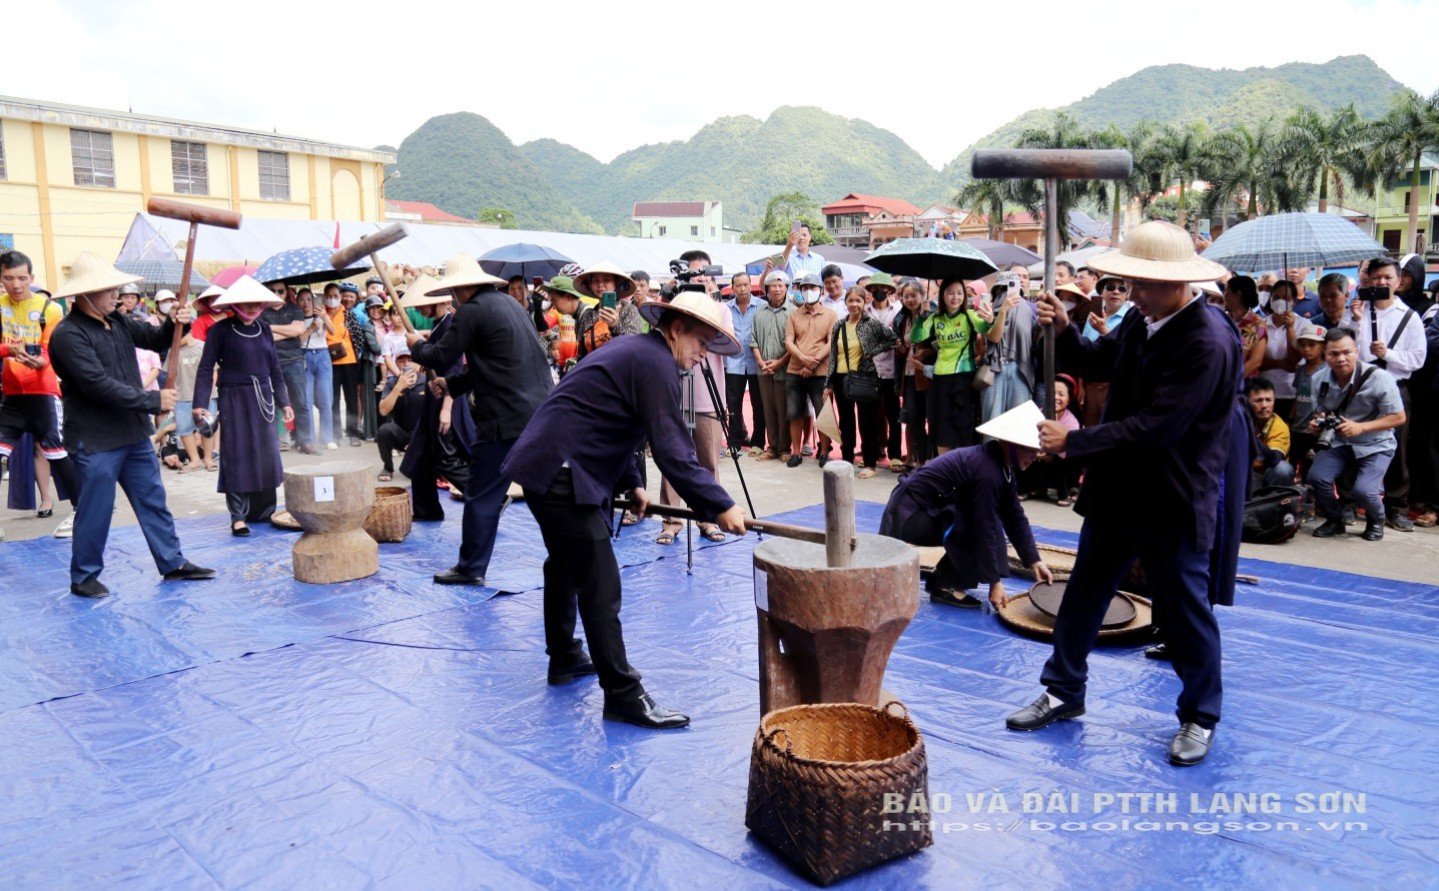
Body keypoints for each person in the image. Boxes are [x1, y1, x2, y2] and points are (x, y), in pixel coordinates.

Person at [1004, 221, 1239, 768]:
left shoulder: (1207, 341)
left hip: (1173, 493)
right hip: (1118, 488)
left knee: (1183, 610)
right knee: (1085, 589)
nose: (1132, 294)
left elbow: (1159, 427)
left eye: (1143, 284)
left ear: (1177, 282)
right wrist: (1065, 330)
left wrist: (1075, 442)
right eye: (1130, 283)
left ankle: (1200, 715)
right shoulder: (1141, 316)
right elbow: (1098, 360)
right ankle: (1064, 690)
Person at [502, 291, 747, 729]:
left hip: (552, 465)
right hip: (561, 471)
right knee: (599, 582)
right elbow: (673, 450)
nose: (702, 355)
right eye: (701, 342)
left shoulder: (640, 352)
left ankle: (565, 656)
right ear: (677, 330)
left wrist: (631, 481)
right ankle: (622, 694)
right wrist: (720, 504)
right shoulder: (654, 362)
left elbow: (616, 419)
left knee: (564, 564)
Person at [47, 252, 214, 597]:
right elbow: (96, 385)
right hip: (96, 437)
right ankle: (84, 576)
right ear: (85, 293)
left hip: (133, 432)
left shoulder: (118, 321)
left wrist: (175, 321)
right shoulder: (68, 335)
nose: (117, 294)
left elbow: (155, 339)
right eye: (108, 289)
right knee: (96, 509)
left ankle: (172, 561)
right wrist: (153, 401)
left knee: (153, 499)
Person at [408, 254, 552, 586]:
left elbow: (440, 356)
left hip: (504, 418)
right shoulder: (509, 305)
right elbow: (492, 366)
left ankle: (471, 568)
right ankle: (569, 553)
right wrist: (451, 385)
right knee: (542, 493)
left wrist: (416, 346)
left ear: (459, 289)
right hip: (538, 414)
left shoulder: (472, 311)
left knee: (482, 494)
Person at [880, 401, 1053, 608]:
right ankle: (946, 584)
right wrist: (995, 583)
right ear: (1010, 444)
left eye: (1036, 451)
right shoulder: (988, 471)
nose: (1034, 457)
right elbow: (984, 525)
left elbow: (1014, 516)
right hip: (909, 515)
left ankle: (943, 578)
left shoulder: (1002, 468)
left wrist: (1035, 561)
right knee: (980, 524)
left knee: (988, 521)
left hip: (925, 511)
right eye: (1029, 450)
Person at [192, 277, 294, 536]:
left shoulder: (264, 329)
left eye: (256, 303)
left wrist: (285, 402)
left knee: (267, 454)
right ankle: (238, 516)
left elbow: (275, 369)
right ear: (235, 304)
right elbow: (205, 369)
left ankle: (265, 511)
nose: (252, 307)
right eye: (246, 303)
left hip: (264, 400)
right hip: (234, 399)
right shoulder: (220, 330)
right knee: (237, 454)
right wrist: (200, 404)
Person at [0, 249, 80, 538]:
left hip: (43, 393)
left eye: (22, 278)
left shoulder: (51, 309)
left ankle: (82, 512)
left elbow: (51, 350)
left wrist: (41, 362)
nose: (16, 285)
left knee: (56, 454)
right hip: (11, 396)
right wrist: (10, 349)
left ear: (31, 277)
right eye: (9, 278)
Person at [1349, 257, 1428, 531]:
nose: (1381, 282)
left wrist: (1388, 354)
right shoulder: (1359, 310)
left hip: (1395, 388)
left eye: (1387, 277)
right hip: (1361, 387)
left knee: (1397, 448)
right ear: (1368, 280)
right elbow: (1346, 349)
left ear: (1398, 281)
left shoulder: (1409, 317)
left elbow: (1418, 358)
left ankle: (1396, 506)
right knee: (1352, 442)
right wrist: (1356, 322)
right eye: (1376, 277)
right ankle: (1348, 502)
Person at [1307, 328, 1407, 541]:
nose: (1341, 358)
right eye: (1334, 353)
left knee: (1364, 491)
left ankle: (1376, 520)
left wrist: (1361, 427)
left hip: (1376, 443)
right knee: (1317, 478)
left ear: (1357, 351)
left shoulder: (1380, 378)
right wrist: (1317, 424)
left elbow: (1398, 417)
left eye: (1347, 352)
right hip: (1338, 440)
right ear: (1325, 355)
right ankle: (1335, 520)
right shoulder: (1317, 379)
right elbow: (1320, 412)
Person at [396, 276, 472, 521]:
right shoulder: (439, 326)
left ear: (437, 301)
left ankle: (488, 498)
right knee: (420, 457)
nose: (418, 309)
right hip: (434, 398)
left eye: (422, 303)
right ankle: (427, 510)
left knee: (446, 457)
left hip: (447, 400)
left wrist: (446, 409)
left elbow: (454, 371)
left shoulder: (451, 327)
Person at [826, 286, 897, 478]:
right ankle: (847, 459)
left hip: (864, 377)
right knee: (846, 422)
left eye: (858, 300)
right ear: (845, 303)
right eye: (851, 300)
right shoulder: (839, 325)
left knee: (867, 422)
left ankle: (870, 463)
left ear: (864, 302)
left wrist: (872, 352)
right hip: (841, 379)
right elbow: (833, 355)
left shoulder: (871, 323)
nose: (854, 304)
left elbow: (892, 339)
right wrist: (828, 384)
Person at [916, 278, 993, 453]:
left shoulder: (969, 315)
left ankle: (964, 465)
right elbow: (916, 337)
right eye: (950, 293)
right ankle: (944, 465)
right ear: (942, 295)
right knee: (941, 425)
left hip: (964, 378)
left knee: (964, 424)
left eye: (959, 293)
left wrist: (989, 320)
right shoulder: (935, 318)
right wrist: (921, 316)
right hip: (940, 378)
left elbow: (985, 329)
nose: (955, 297)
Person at [784, 272, 834, 467]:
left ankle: (824, 452)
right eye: (805, 288)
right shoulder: (794, 315)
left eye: (812, 287)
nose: (808, 291)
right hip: (795, 371)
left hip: (820, 373)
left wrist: (813, 362)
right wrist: (803, 359)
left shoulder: (830, 315)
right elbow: (789, 341)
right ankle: (796, 452)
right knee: (794, 413)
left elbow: (831, 342)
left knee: (823, 414)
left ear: (820, 291)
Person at [259, 278, 312, 453]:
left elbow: (299, 331)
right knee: (273, 403)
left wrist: (270, 328)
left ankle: (305, 441)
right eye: (273, 290)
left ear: (286, 291)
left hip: (294, 360)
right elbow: (262, 336)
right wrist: (289, 330)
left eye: (280, 290)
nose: (277, 294)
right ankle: (277, 440)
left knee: (300, 402)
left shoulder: (295, 309)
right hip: (270, 361)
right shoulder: (260, 312)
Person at [750, 270, 792, 463]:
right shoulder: (759, 313)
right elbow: (753, 340)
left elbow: (795, 343)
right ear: (767, 289)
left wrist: (780, 362)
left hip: (785, 369)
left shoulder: (793, 312)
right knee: (768, 409)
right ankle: (772, 447)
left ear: (786, 288)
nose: (776, 289)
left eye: (780, 285)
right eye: (773, 286)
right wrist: (760, 362)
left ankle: (784, 448)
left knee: (783, 410)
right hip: (764, 370)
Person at [865, 273, 904, 468]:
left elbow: (899, 339)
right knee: (870, 416)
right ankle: (870, 455)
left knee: (893, 415)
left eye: (883, 287)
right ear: (870, 290)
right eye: (875, 287)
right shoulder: (864, 311)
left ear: (889, 290)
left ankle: (895, 455)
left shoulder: (899, 310)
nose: (879, 291)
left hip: (891, 371)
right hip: (869, 371)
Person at [724, 270, 764, 455]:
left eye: (745, 284)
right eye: (738, 285)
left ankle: (758, 442)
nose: (742, 288)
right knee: (733, 405)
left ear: (750, 285)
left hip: (757, 362)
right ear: (733, 287)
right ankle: (734, 442)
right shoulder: (726, 308)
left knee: (758, 404)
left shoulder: (761, 306)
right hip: (733, 362)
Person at [893, 280, 932, 469]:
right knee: (914, 419)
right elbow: (901, 347)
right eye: (905, 296)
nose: (909, 299)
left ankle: (932, 460)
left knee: (932, 418)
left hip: (928, 374)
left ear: (922, 296)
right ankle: (921, 461)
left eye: (913, 295)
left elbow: (939, 344)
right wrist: (900, 348)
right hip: (909, 375)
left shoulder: (932, 315)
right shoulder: (901, 318)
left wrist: (926, 352)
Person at [376, 347, 427, 482]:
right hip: (402, 433)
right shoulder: (391, 383)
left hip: (423, 435)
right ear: (396, 364)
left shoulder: (427, 382)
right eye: (401, 361)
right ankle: (388, 467)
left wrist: (417, 440)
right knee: (384, 430)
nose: (406, 364)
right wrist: (399, 387)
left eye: (410, 360)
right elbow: (383, 411)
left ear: (418, 363)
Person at [296, 289, 336, 450]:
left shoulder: (320, 315)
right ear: (297, 302)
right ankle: (309, 438)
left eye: (309, 299)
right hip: (305, 356)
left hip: (322, 355)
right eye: (302, 300)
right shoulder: (297, 319)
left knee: (326, 398)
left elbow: (333, 331)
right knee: (306, 400)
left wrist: (324, 317)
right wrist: (311, 328)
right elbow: (299, 340)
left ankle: (327, 437)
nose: (306, 303)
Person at [323, 283, 362, 447]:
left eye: (336, 296)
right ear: (324, 297)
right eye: (329, 296)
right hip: (328, 362)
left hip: (349, 360)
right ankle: (336, 433)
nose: (333, 299)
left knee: (351, 398)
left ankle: (353, 433)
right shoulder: (321, 313)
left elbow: (358, 337)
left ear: (340, 297)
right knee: (333, 398)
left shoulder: (348, 314)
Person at [1258, 280, 1303, 420]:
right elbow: (1256, 360)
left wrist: (1290, 328)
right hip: (1264, 393)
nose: (1280, 301)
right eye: (1276, 297)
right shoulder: (1261, 324)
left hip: (1291, 392)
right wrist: (1280, 364)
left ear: (1294, 301)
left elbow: (1294, 360)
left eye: (1286, 298)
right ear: (1270, 299)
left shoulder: (1304, 324)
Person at [1246, 377, 1294, 490]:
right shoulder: (1237, 419)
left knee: (1283, 469)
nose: (1264, 405)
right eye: (1258, 400)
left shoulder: (1280, 426)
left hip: (1264, 472)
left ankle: (1275, 498)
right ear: (1246, 402)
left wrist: (1249, 434)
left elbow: (1274, 459)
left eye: (1268, 400)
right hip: (1241, 470)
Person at [1223, 275, 1266, 378]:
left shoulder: (1257, 324)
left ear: (1238, 294)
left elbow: (1256, 361)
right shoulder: (1224, 319)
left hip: (1244, 382)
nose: (1224, 295)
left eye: (1227, 291)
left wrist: (1233, 380)